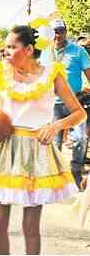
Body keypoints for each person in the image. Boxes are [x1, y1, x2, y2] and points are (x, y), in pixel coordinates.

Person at [0, 25, 86, 254]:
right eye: (5, 47)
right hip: (5, 149)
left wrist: (55, 126)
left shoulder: (52, 75)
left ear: (29, 49)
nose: (6, 51)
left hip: (36, 152)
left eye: (12, 47)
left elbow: (80, 113)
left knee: (31, 227)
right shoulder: (3, 73)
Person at [50, 19, 90, 189]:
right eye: (54, 31)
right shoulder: (45, 52)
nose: (57, 34)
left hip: (75, 103)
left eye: (60, 31)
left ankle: (75, 173)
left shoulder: (79, 51)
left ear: (65, 31)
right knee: (54, 143)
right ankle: (54, 178)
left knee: (81, 138)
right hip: (53, 104)